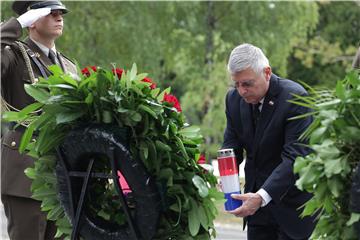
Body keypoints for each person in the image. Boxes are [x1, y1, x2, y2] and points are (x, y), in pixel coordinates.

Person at [222, 43, 317, 240]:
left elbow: (295, 158)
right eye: (236, 84)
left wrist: (261, 196)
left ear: (266, 72)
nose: (241, 91)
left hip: (291, 210)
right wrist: (226, 176)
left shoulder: (295, 98)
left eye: (247, 84)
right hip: (255, 211)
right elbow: (231, 145)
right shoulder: (233, 99)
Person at [1, 1, 77, 239]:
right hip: (26, 170)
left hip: (63, 173)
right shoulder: (13, 55)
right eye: (50, 13)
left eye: (61, 12)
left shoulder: (69, 66)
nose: (59, 16)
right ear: (32, 20)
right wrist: (16, 25)